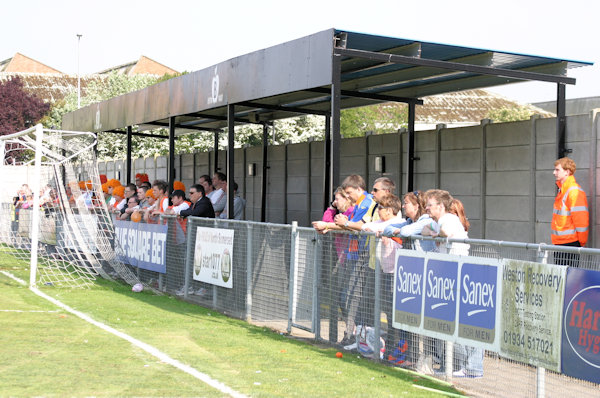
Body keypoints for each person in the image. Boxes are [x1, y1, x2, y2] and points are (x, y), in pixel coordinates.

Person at [332, 175, 378, 347]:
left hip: (365, 254)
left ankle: (357, 338)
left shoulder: (367, 202)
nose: (348, 196)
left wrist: (345, 223)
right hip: (357, 254)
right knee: (350, 296)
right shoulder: (360, 203)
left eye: (349, 193)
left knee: (355, 298)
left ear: (358, 189)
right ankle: (354, 337)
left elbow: (360, 225)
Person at [551, 157, 589, 267]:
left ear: (567, 172)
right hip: (561, 243)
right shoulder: (564, 191)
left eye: (557, 170)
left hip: (569, 244)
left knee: (568, 280)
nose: (554, 173)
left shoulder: (573, 191)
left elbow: (581, 222)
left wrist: (580, 243)